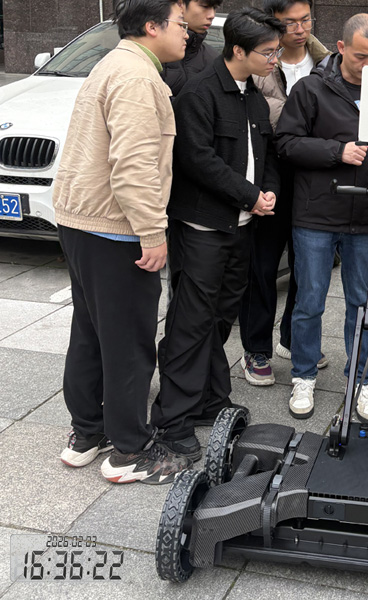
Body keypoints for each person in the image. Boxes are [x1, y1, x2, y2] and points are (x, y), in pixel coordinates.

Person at [55, 0, 191, 484]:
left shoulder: (113, 63)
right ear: (152, 26)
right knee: (128, 343)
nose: (187, 33)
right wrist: (152, 232)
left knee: (91, 333)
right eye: (180, 24)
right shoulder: (136, 77)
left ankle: (87, 435)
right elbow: (133, 164)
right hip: (115, 227)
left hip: (82, 221)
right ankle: (130, 452)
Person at [150, 7, 282, 459]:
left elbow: (267, 156)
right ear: (239, 51)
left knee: (222, 315)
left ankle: (209, 399)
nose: (275, 60)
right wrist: (250, 195)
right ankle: (172, 420)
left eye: (276, 51)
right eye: (268, 52)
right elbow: (197, 160)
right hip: (202, 228)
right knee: (191, 323)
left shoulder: (254, 98)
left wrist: (267, 192)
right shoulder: (200, 93)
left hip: (241, 226)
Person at [275, 14, 368, 421]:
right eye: (361, 57)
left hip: (367, 212)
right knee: (309, 301)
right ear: (341, 48)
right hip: (316, 213)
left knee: (362, 304)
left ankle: (360, 380)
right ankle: (303, 375)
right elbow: (285, 144)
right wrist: (336, 151)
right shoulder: (311, 89)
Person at [238, 0, 332, 387]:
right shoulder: (258, 66)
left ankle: (294, 339)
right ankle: (256, 348)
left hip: (315, 176)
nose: (299, 28)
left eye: (305, 19)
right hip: (269, 173)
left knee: (307, 265)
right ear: (274, 24)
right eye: (289, 22)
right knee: (262, 265)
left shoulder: (328, 64)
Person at [161, 0, 222, 95]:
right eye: (205, 6)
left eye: (214, 8)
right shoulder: (153, 50)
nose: (212, 15)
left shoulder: (214, 60)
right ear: (180, 4)